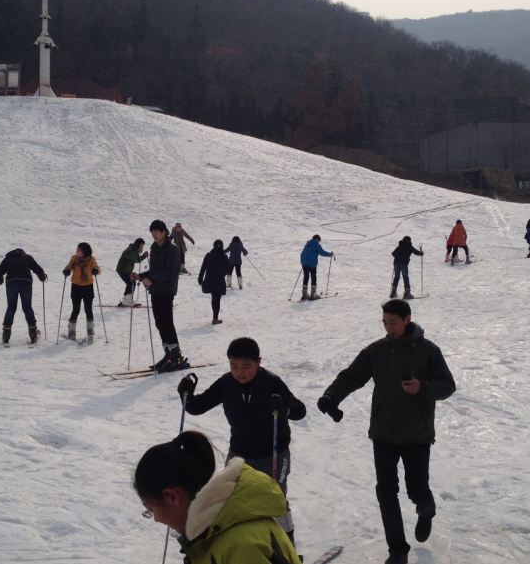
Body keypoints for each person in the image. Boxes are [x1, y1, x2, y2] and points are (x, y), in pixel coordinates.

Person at [317, 299, 456, 564]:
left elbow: (448, 385)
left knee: (416, 489)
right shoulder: (377, 351)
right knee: (386, 491)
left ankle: (426, 509)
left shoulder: (428, 351)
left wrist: (423, 387)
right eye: (384, 323)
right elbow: (351, 376)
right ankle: (397, 550)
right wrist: (331, 396)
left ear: (407, 319)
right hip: (383, 432)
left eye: (393, 322)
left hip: (416, 434)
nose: (388, 328)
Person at [178, 337, 306, 542]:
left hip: (273, 453)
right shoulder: (226, 383)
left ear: (259, 362)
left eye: (246, 366)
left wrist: (284, 408)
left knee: (275, 500)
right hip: (240, 452)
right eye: (234, 366)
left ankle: (287, 546)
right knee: (229, 498)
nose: (240, 372)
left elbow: (300, 411)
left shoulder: (271, 383)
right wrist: (186, 394)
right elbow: (197, 407)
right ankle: (240, 544)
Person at [133, 430, 302, 564]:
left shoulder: (240, 547)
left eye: (151, 509)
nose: (155, 519)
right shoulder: (212, 533)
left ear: (172, 497)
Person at [134, 219, 188, 371]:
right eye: (152, 232)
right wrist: (140, 276)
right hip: (156, 289)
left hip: (167, 289)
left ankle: (176, 355)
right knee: (159, 322)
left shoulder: (173, 249)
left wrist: (150, 279)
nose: (154, 235)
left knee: (167, 322)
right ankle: (168, 353)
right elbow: (154, 270)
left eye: (156, 232)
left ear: (164, 231)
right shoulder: (154, 247)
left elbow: (170, 272)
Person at [0, 249, 47, 344]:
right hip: (26, 282)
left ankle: (6, 333)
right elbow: (38, 269)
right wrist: (42, 277)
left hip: (11, 283)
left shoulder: (7, 259)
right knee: (27, 307)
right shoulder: (27, 257)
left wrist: (0, 281)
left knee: (11, 307)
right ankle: (33, 333)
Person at [62, 242, 101, 343]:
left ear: (84, 252)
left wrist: (96, 270)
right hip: (76, 287)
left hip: (88, 287)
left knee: (88, 309)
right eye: (77, 250)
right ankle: (71, 333)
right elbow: (69, 267)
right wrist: (66, 270)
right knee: (76, 309)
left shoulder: (91, 259)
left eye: (79, 250)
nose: (77, 251)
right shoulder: (74, 258)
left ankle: (91, 333)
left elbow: (98, 267)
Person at [198, 239, 228, 325]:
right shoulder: (224, 257)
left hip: (209, 280)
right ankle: (215, 318)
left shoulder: (208, 255)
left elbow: (203, 268)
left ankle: (215, 318)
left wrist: (200, 279)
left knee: (214, 298)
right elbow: (228, 269)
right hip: (219, 281)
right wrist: (222, 274)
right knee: (216, 299)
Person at [299, 234, 333, 301]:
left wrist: (303, 262)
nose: (319, 242)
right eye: (319, 241)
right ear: (317, 239)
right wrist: (330, 254)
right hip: (312, 264)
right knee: (313, 277)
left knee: (306, 276)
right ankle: (313, 294)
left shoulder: (307, 244)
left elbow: (302, 254)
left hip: (305, 263)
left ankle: (304, 294)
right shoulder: (316, 244)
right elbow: (322, 252)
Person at [115, 238, 147, 307]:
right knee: (130, 283)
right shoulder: (131, 251)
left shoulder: (133, 249)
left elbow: (136, 259)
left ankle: (126, 300)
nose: (142, 248)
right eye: (142, 246)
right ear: (138, 245)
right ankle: (126, 300)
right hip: (123, 270)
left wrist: (142, 254)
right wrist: (143, 255)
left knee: (131, 282)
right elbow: (137, 260)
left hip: (125, 270)